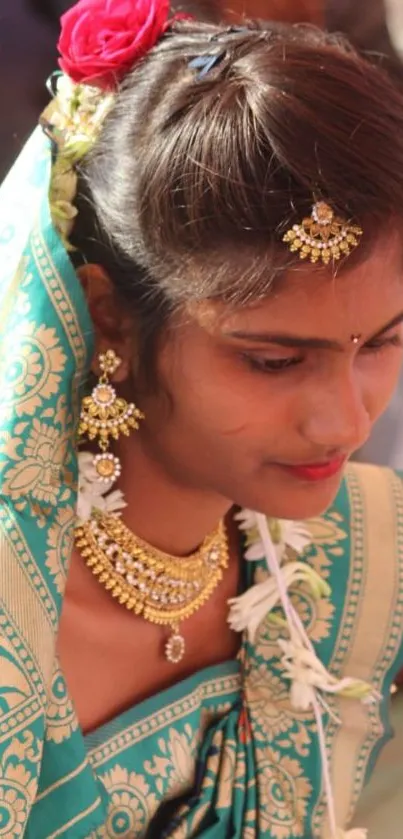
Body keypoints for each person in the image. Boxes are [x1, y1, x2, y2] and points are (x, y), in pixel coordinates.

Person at [1, 0, 403, 836]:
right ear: (109, 315)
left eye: (381, 343)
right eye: (272, 360)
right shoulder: (15, 599)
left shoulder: (361, 564)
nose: (342, 420)